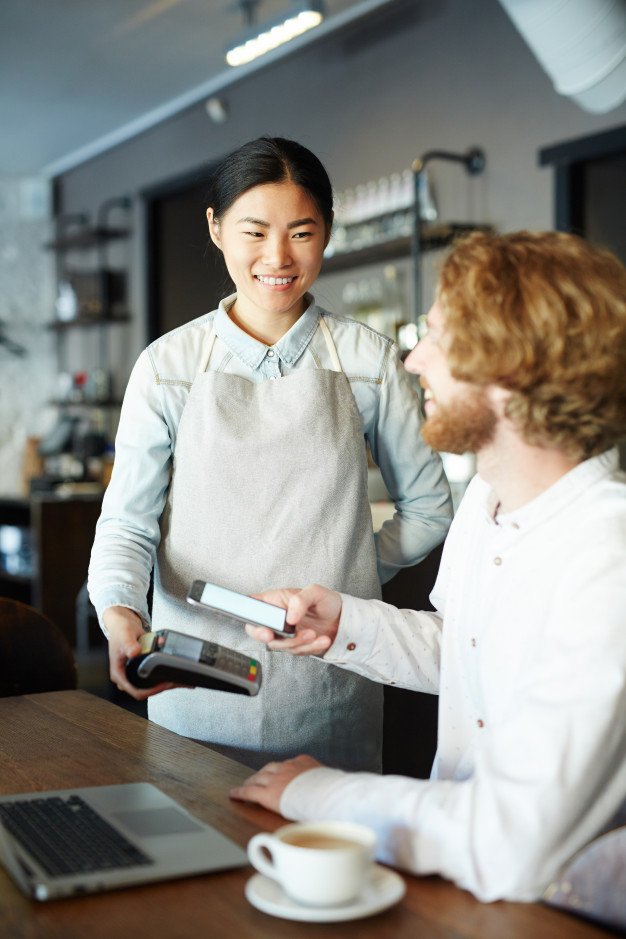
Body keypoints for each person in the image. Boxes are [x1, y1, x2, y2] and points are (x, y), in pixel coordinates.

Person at [231, 229, 626, 903]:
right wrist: (342, 624)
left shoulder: (608, 557)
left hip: (562, 910)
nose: (414, 359)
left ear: (508, 367)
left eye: (436, 336)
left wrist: (317, 791)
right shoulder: (486, 495)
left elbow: (510, 844)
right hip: (459, 887)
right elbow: (468, 647)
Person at [88, 136, 452, 771]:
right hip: (194, 680)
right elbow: (127, 524)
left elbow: (428, 509)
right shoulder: (168, 366)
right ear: (216, 229)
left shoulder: (367, 361)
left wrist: (351, 576)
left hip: (328, 677)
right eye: (254, 232)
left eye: (301, 232)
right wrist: (123, 621)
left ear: (328, 232)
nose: (277, 257)